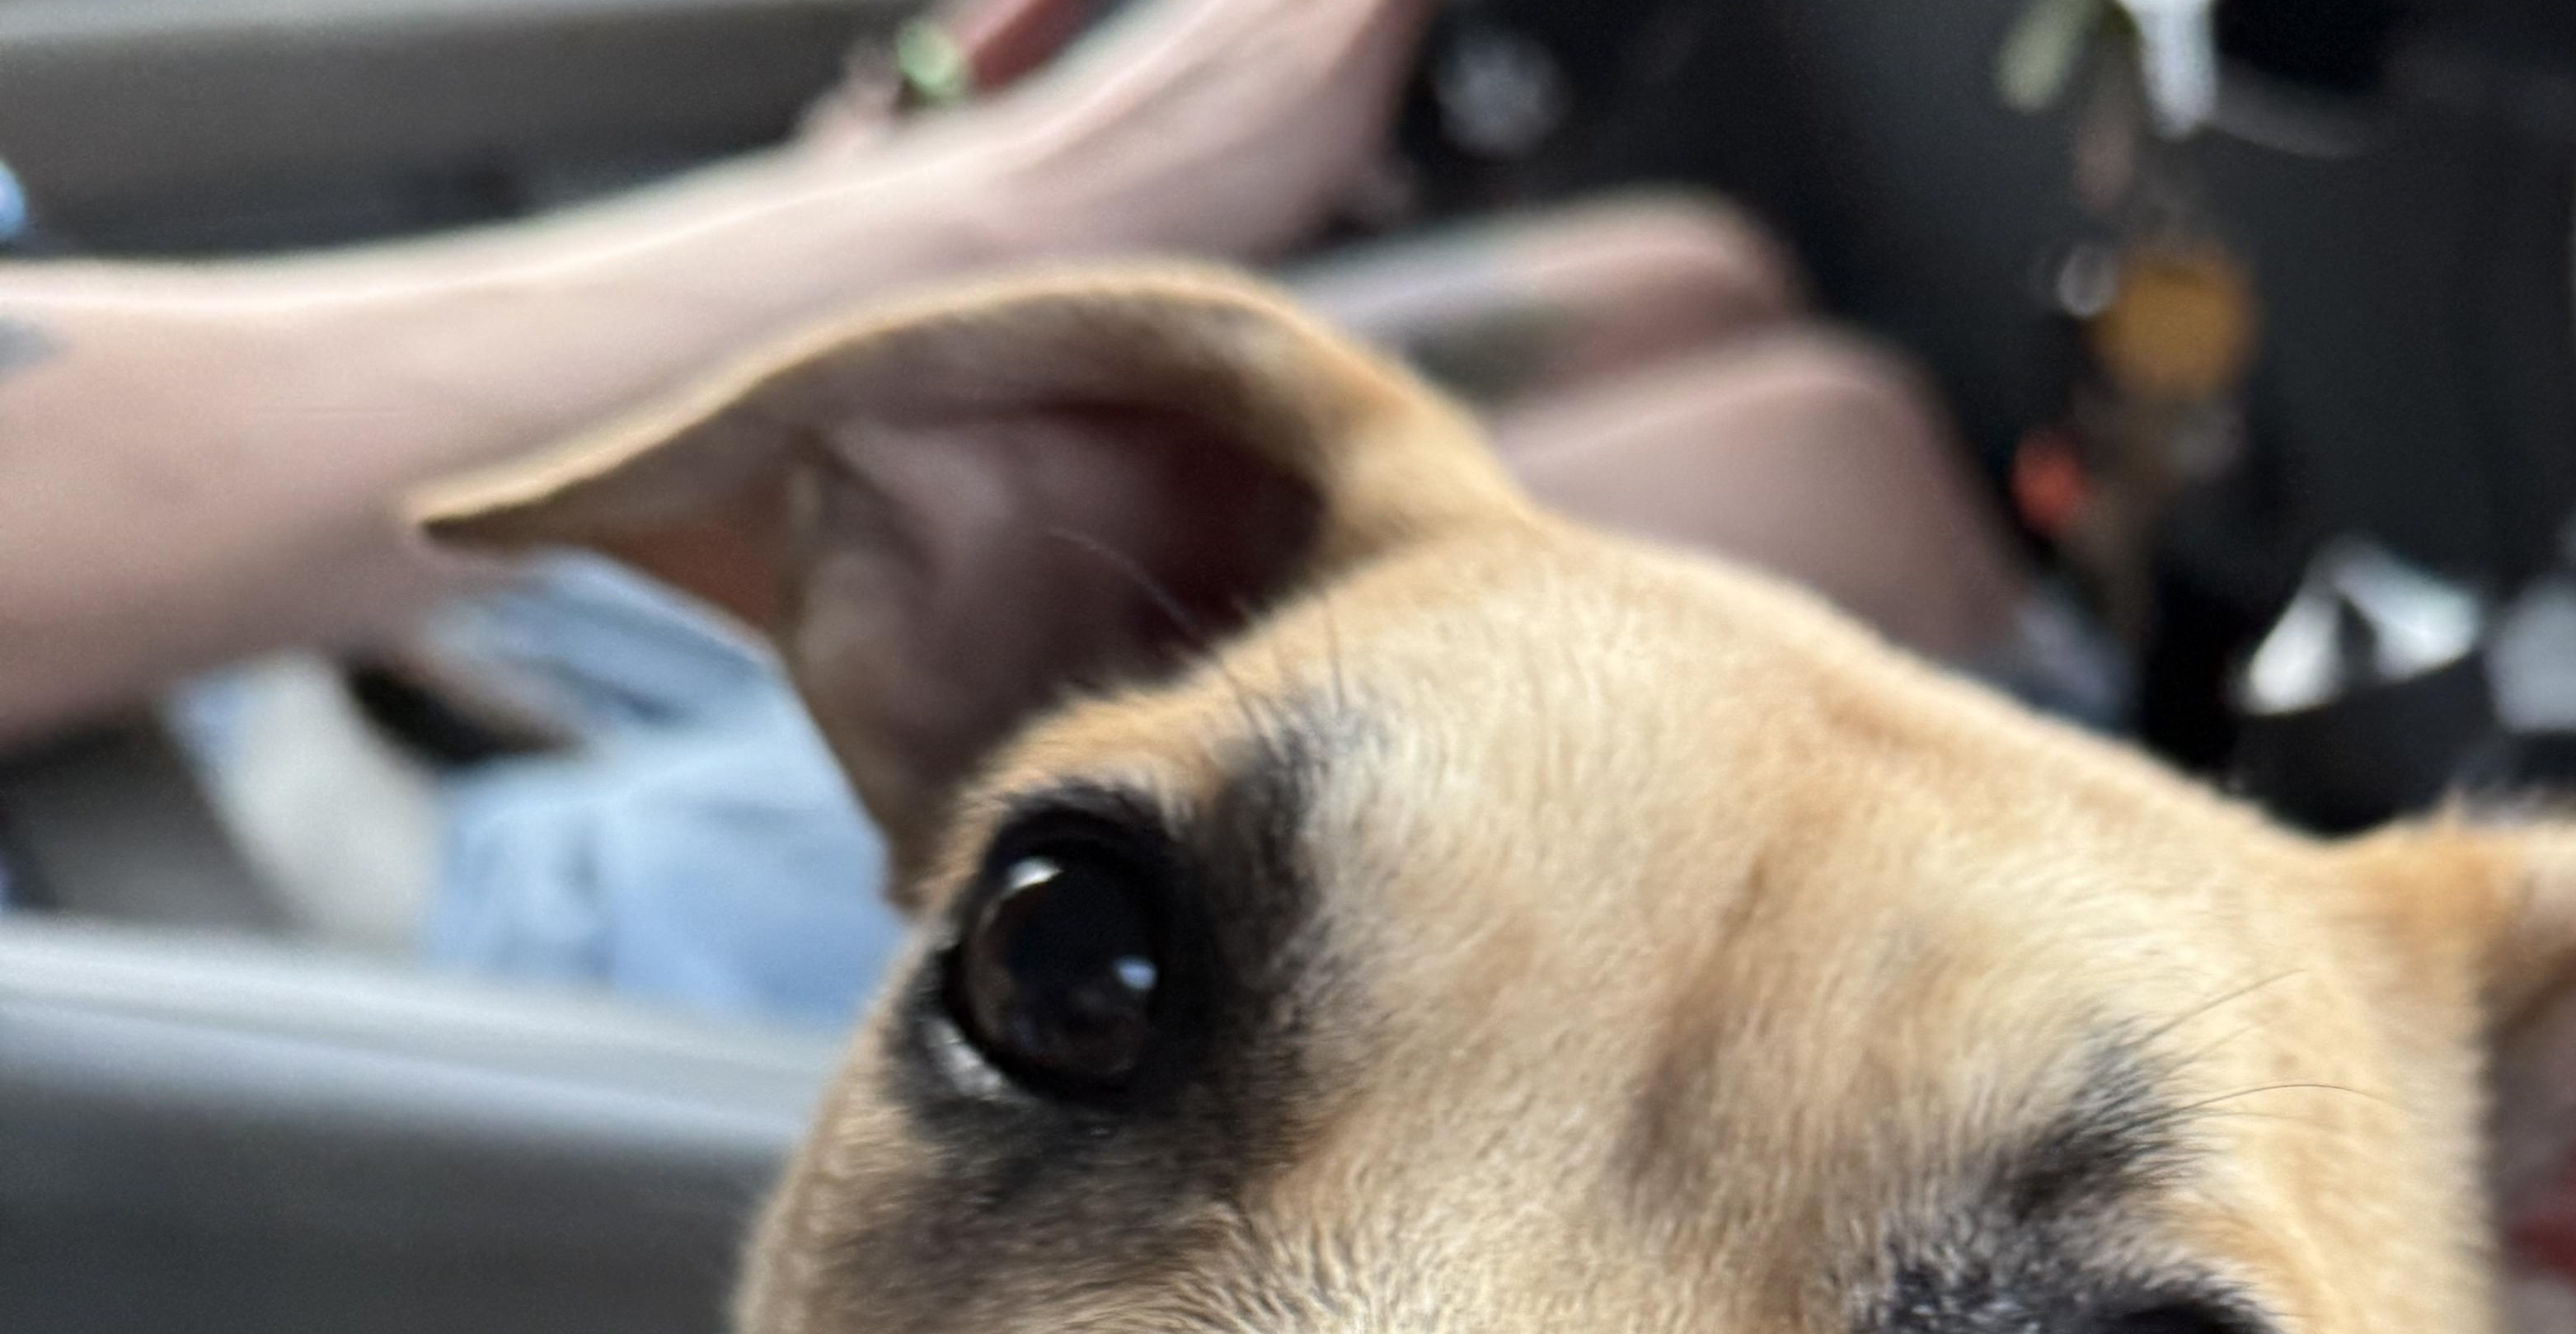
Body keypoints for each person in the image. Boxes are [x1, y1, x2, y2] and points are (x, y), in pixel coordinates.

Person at [0, 0, 2077, 1012]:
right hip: (226, 956)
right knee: (1823, 484)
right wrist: (1072, 192)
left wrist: (857, 206)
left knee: (1678, 296)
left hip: (299, 657)